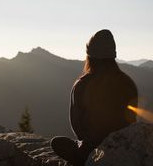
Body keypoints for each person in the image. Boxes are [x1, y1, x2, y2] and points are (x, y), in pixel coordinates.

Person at [51, 29, 138, 166]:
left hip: (92, 149)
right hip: (124, 146)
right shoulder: (128, 83)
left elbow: (77, 125)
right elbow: (131, 120)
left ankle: (82, 158)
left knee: (57, 143)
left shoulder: (82, 84)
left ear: (89, 56)